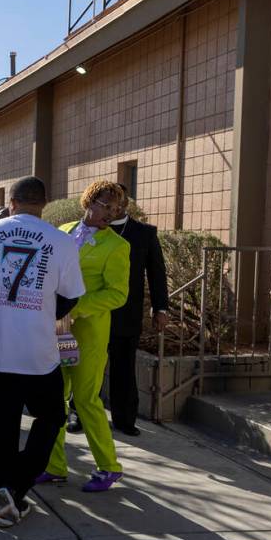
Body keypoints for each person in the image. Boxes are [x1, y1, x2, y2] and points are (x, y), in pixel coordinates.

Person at [0, 176, 85, 528]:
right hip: (38, 352)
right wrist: (45, 313)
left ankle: (3, 487)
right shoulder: (61, 241)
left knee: (3, 426)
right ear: (43, 203)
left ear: (11, 202)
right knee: (52, 417)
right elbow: (72, 294)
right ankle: (18, 483)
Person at [38, 180, 130, 492]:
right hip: (54, 328)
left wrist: (76, 309)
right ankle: (54, 466)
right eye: (106, 205)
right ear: (89, 201)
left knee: (86, 399)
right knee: (53, 399)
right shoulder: (62, 230)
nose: (111, 212)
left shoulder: (117, 246)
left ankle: (109, 466)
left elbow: (118, 295)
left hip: (88, 332)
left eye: (117, 209)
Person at [105, 185, 168, 436]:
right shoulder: (90, 229)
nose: (111, 206)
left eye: (116, 200)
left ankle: (125, 419)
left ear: (125, 203)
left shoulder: (144, 233)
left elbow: (157, 273)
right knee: (88, 370)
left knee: (124, 368)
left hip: (126, 314)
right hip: (92, 313)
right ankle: (79, 414)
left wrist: (160, 307)